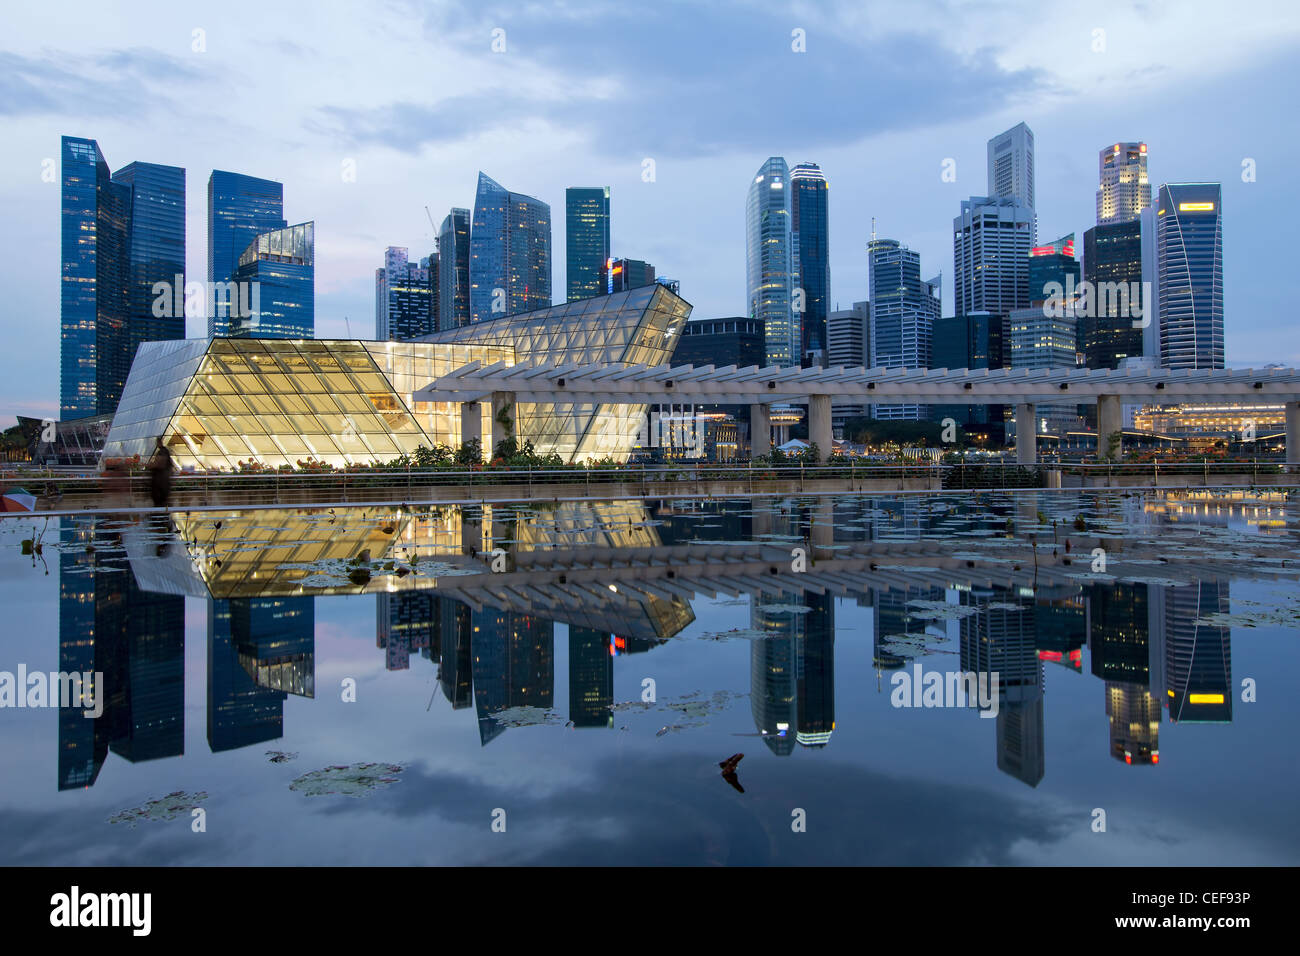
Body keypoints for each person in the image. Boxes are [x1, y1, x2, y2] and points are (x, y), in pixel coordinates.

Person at [148, 437, 173, 508]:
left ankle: (159, 516)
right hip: (164, 483)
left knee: (159, 502)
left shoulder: (162, 452)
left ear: (158, 443)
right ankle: (163, 515)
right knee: (163, 502)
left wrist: (149, 466)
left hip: (159, 483)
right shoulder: (165, 451)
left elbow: (158, 464)